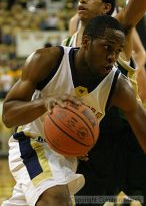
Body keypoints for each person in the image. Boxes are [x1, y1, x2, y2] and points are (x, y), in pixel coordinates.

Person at [1, 14, 146, 206]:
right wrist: (45, 102)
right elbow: (8, 115)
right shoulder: (47, 60)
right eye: (107, 47)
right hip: (32, 143)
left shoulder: (118, 86)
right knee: (57, 199)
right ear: (86, 42)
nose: (112, 56)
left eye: (117, 51)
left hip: (67, 156)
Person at [62, 0, 146, 205]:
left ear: (106, 7)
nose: (82, 1)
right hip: (92, 139)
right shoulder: (68, 44)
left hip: (128, 132)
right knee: (87, 201)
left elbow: (135, 7)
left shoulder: (119, 29)